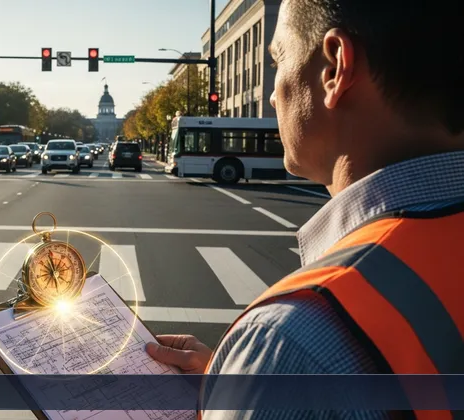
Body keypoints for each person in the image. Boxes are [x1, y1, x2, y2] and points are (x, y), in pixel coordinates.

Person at [146, 0, 464, 418]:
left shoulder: (290, 344)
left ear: (334, 69)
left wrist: (255, 385)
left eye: (279, 60)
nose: (275, 96)